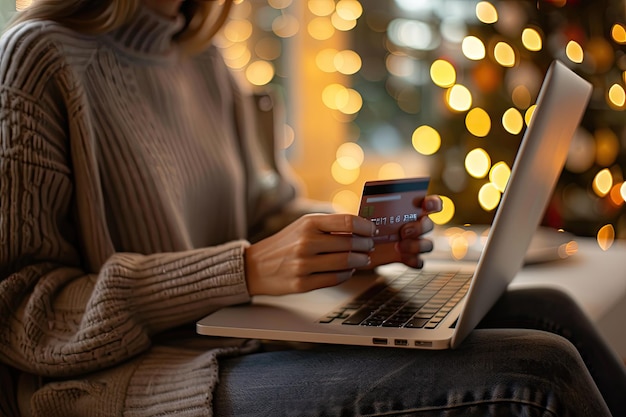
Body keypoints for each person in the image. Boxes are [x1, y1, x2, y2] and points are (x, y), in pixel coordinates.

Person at [0, 0, 624, 416]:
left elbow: (263, 211)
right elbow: (20, 315)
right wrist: (241, 270)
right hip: (141, 383)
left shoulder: (200, 58)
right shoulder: (37, 59)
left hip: (238, 337)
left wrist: (352, 240)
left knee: (553, 312)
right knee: (538, 374)